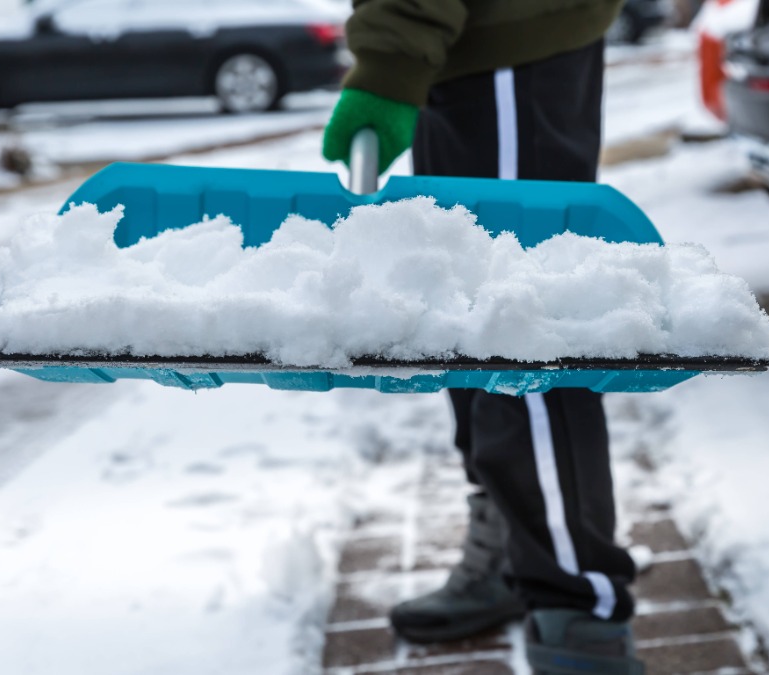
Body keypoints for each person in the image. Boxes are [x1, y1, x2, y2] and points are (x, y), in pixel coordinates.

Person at [322, 2, 644, 672]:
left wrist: (391, 57)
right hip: (477, 43)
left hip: (502, 47)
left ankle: (578, 609)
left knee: (519, 331)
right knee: (466, 308)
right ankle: (510, 543)